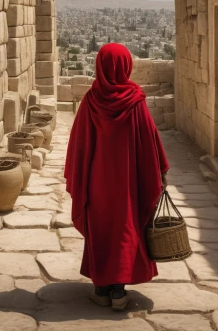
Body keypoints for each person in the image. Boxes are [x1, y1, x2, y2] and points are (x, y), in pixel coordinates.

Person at [64, 43, 170, 311]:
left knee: (100, 230)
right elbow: (150, 141)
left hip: (97, 181)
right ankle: (118, 293)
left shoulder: (90, 100)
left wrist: (79, 178)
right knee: (125, 227)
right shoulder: (135, 101)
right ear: (126, 66)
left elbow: (79, 144)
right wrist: (161, 170)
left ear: (101, 65)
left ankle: (101, 289)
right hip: (127, 182)